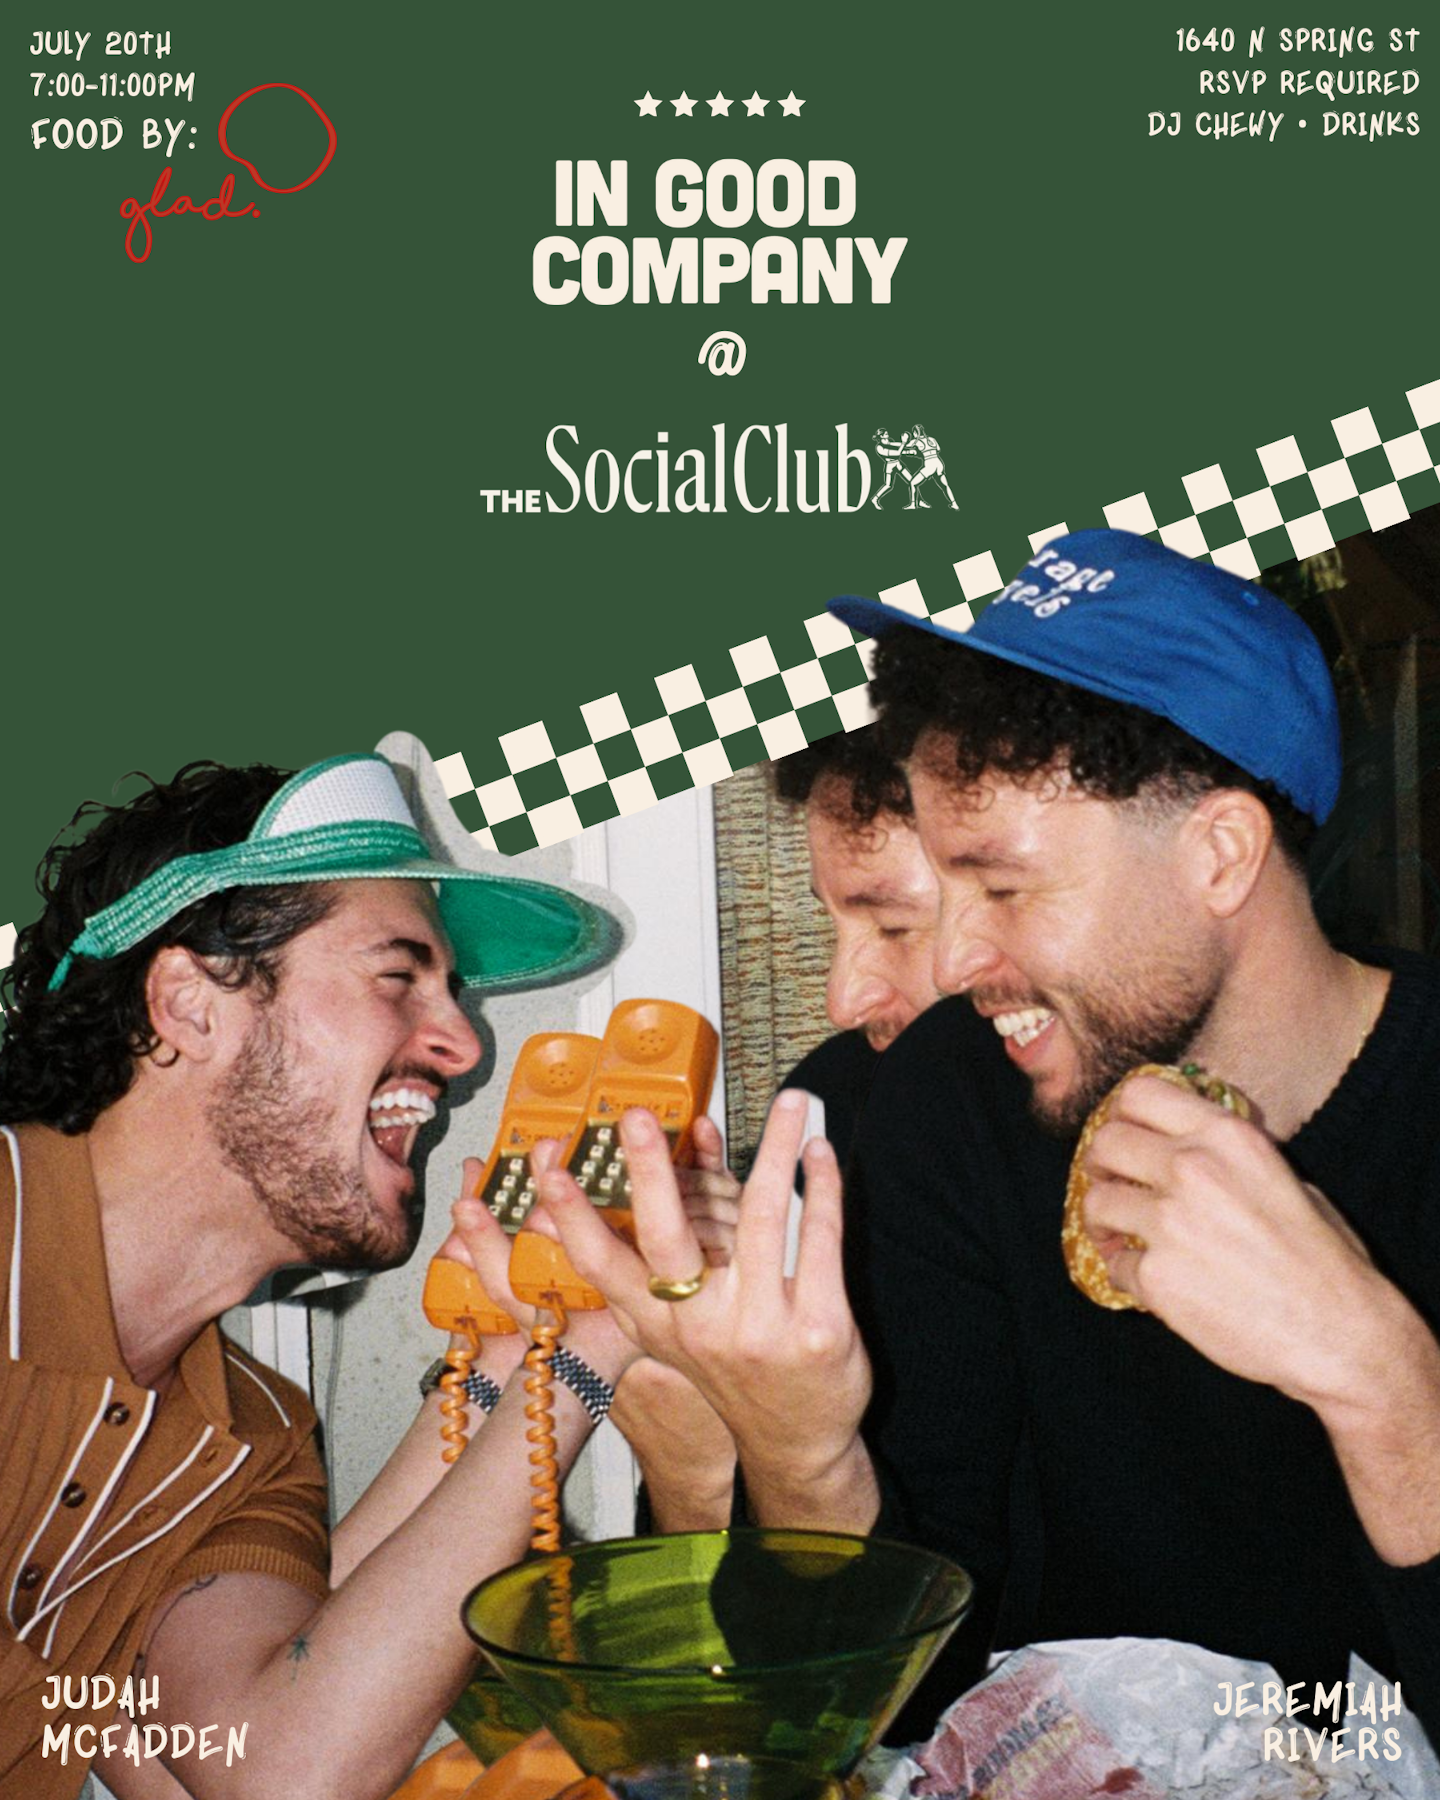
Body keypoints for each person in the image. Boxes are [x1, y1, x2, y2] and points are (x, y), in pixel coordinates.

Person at [540, 530, 1440, 1750]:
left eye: (1003, 888)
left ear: (1220, 855)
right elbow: (904, 1709)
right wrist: (802, 1452)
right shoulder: (949, 1106)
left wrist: (1387, 1386)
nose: (959, 960)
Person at [0, 743, 641, 1800]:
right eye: (399, 976)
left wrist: (556, 1351)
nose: (464, 1045)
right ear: (191, 1003)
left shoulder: (251, 1443)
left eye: (451, 990)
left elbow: (273, 1766)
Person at [613, 729, 943, 1532]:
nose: (841, 999)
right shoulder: (835, 1098)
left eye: (894, 927)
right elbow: (743, 1582)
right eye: (833, 925)